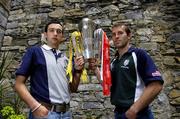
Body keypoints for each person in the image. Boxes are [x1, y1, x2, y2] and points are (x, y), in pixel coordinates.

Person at [89, 22, 164, 119]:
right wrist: (95, 69)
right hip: (119, 113)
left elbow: (156, 85)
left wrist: (134, 109)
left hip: (138, 114)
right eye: (114, 34)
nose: (116, 37)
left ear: (129, 36)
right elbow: (108, 85)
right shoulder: (114, 61)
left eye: (120, 33)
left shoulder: (138, 54)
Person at [14, 20, 84, 119]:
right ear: (45, 34)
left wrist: (77, 71)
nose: (55, 33)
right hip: (45, 113)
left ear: (62, 37)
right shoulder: (35, 52)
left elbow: (73, 89)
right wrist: (35, 107)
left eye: (59, 31)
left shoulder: (66, 59)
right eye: (52, 30)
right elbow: (18, 84)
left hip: (66, 114)